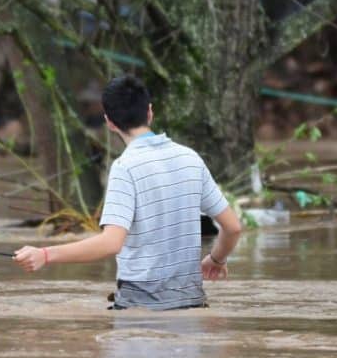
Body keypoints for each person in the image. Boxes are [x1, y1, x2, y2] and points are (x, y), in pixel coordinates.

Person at [12, 75, 244, 310]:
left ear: (110, 122)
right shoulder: (190, 158)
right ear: (150, 112)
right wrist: (216, 259)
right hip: (192, 302)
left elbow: (111, 243)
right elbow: (233, 227)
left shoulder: (125, 168)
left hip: (140, 307)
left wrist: (45, 254)